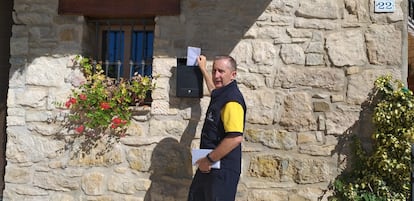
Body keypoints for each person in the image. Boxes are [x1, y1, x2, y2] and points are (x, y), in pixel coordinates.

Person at [187, 55, 246, 201]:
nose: (216, 75)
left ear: (233, 75)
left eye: (221, 71)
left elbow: (235, 138)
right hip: (210, 167)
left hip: (221, 170)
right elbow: (213, 90)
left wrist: (208, 160)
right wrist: (203, 69)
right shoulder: (222, 94)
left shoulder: (232, 100)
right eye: (214, 71)